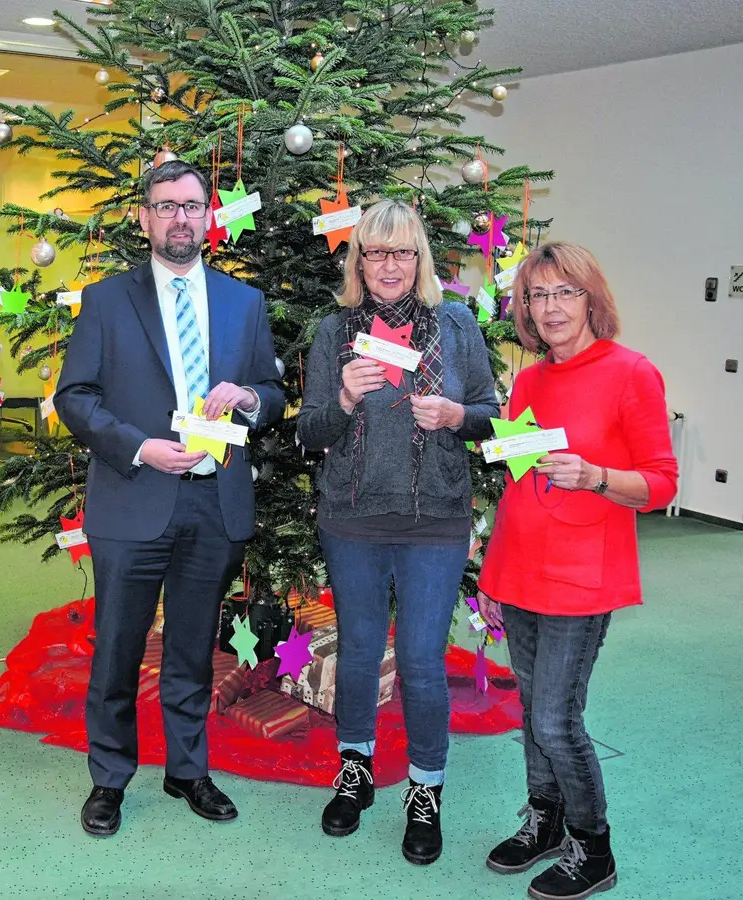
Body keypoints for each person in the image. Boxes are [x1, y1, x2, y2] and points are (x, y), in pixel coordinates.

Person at [55, 159, 284, 837]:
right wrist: (139, 446)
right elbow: (75, 397)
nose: (180, 217)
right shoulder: (105, 301)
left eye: (191, 205)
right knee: (119, 647)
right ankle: (109, 779)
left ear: (208, 215)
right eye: (166, 205)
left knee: (191, 647)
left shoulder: (245, 303)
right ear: (145, 217)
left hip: (213, 504)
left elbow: (271, 395)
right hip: (133, 497)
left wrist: (247, 398)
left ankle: (188, 770)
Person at [297, 199, 500, 864]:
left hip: (433, 520)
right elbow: (308, 433)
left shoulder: (456, 326)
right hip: (352, 520)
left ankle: (426, 788)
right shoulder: (335, 332)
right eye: (376, 252)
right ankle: (355, 768)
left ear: (420, 260)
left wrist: (455, 414)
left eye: (402, 251)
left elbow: (490, 418)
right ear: (360, 262)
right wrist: (346, 401)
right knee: (358, 653)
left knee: (418, 662)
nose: (390, 265)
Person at [474, 242, 678, 900]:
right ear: (524, 309)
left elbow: (660, 484)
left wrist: (595, 476)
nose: (550, 307)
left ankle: (594, 848)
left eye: (565, 292)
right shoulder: (531, 381)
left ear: (592, 299)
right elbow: (519, 480)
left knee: (558, 719)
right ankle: (545, 819)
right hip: (522, 565)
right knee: (533, 711)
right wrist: (493, 572)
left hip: (584, 574)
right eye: (537, 295)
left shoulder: (631, 373)